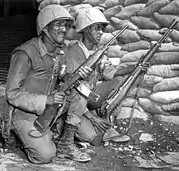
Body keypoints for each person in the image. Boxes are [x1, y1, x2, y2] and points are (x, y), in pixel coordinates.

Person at [5, 4, 93, 164]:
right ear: (45, 27)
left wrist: (76, 77)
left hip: (52, 107)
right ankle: (16, 133)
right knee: (46, 155)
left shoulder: (60, 51)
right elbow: (12, 94)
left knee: (89, 134)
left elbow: (60, 78)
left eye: (66, 25)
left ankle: (65, 142)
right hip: (24, 113)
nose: (64, 29)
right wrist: (47, 100)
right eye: (58, 24)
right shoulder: (25, 53)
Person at [57, 7, 133, 158]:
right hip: (72, 104)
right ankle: (63, 131)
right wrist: (93, 119)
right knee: (92, 137)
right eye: (97, 28)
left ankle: (106, 120)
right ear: (85, 30)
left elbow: (111, 72)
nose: (101, 32)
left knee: (120, 82)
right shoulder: (72, 53)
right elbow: (73, 91)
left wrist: (135, 67)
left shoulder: (98, 52)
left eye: (102, 29)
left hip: (89, 101)